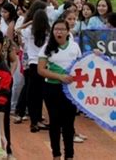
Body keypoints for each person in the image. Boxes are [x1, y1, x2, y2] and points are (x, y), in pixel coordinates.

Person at [38, 19, 82, 160]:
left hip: (70, 90)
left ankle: (69, 155)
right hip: (52, 88)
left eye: (62, 29)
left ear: (68, 31)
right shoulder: (46, 48)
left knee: (69, 123)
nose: (59, 32)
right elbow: (41, 70)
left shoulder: (75, 47)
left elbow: (81, 65)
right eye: (56, 29)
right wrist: (59, 76)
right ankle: (56, 154)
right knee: (55, 122)